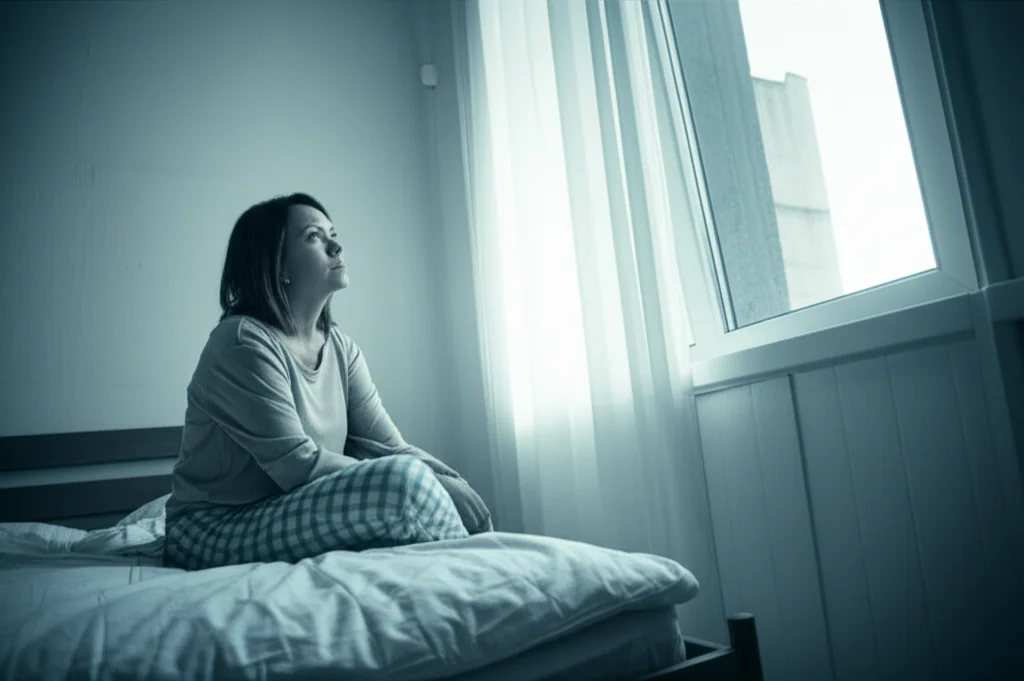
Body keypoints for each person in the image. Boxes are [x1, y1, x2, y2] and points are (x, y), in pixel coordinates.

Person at [163, 193, 492, 571]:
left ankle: (475, 559)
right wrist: (417, 481)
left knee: (412, 480)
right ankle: (475, 571)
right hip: (211, 529)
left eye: (333, 233)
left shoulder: (341, 347)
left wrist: (449, 482)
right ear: (277, 263)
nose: (336, 245)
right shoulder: (241, 343)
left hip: (286, 510)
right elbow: (297, 466)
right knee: (401, 483)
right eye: (315, 237)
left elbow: (388, 447)